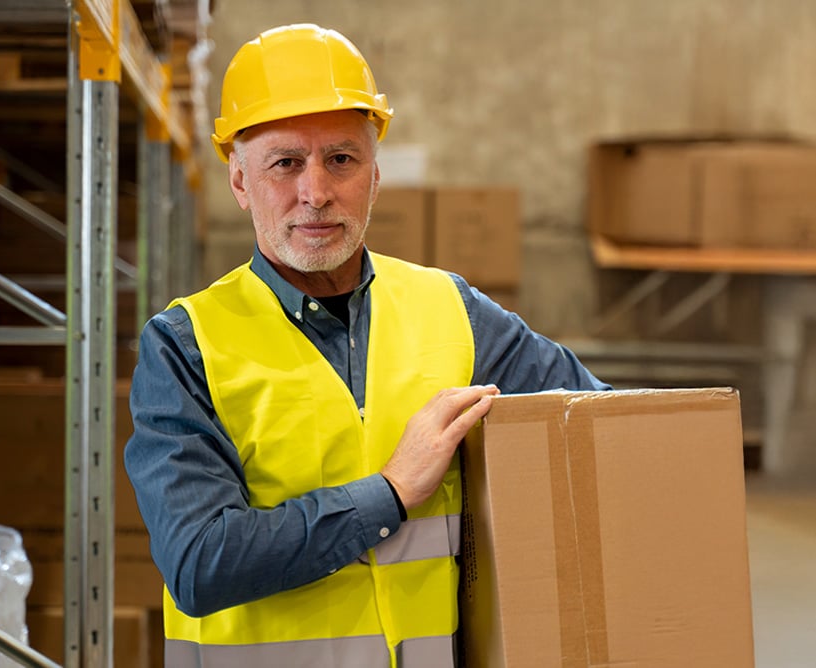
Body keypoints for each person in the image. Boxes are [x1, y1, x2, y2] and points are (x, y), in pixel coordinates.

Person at [124, 22, 610, 668]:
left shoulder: (452, 311)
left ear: (374, 178)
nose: (316, 192)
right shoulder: (186, 346)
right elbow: (199, 560)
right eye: (285, 163)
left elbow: (605, 426)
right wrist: (389, 492)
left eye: (341, 160)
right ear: (240, 183)